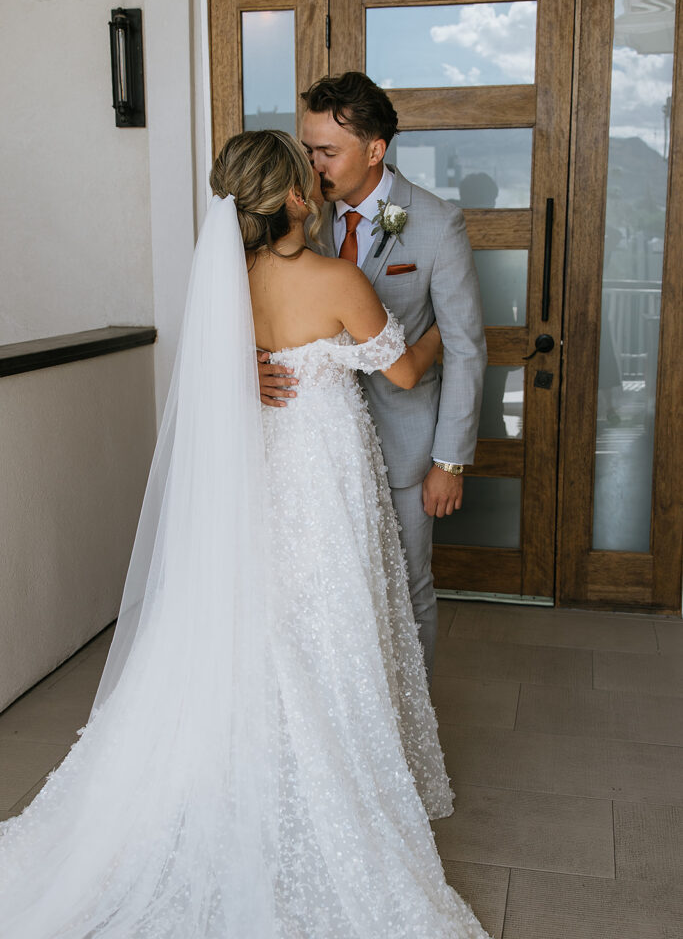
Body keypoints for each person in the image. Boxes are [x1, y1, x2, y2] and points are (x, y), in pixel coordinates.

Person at [0, 130, 491, 939]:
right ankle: (319, 780)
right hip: (323, 478)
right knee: (324, 624)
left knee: (258, 617)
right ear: (297, 198)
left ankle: (239, 773)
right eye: (311, 175)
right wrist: (436, 327)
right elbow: (402, 372)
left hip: (258, 474)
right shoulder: (334, 278)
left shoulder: (226, 281)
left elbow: (213, 372)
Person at [259, 73, 487, 682]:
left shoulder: (438, 224)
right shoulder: (297, 220)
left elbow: (465, 348)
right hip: (316, 450)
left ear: (375, 149)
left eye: (327, 152)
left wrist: (451, 460)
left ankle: (412, 738)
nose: (312, 165)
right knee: (326, 595)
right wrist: (251, 367)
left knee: (406, 590)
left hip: (405, 449)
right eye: (307, 150)